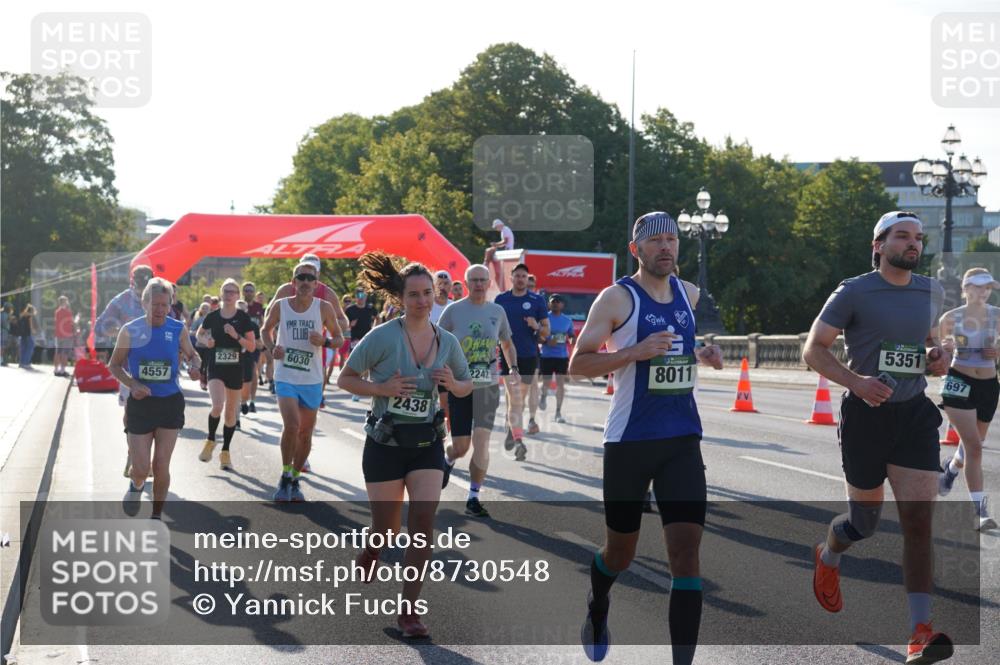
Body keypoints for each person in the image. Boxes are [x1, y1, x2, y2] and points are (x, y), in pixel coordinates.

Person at [568, 211, 723, 665]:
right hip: (629, 443)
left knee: (686, 555)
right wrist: (634, 352)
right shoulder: (617, 299)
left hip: (681, 441)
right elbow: (579, 363)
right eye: (655, 241)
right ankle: (598, 606)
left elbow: (678, 346)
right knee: (621, 553)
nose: (666, 247)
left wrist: (702, 351)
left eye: (672, 239)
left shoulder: (688, 294)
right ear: (636, 250)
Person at [803, 211, 954, 664]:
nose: (913, 244)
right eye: (903, 236)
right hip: (866, 417)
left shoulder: (932, 290)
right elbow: (814, 348)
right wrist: (857, 382)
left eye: (918, 238)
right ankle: (829, 553)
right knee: (863, 525)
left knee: (918, 524)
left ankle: (919, 632)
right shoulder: (854, 291)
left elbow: (930, 342)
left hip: (914, 417)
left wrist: (937, 355)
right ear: (878, 244)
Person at [337, 252, 472, 639]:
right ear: (401, 298)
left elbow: (466, 384)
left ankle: (409, 611)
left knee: (424, 524)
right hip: (385, 442)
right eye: (414, 294)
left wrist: (451, 383)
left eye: (428, 293)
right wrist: (381, 388)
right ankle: (373, 549)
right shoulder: (382, 337)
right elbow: (346, 378)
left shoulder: (446, 342)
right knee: (386, 529)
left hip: (426, 442)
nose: (422, 300)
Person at [107, 277, 201, 519]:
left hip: (169, 403)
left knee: (161, 466)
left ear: (170, 304)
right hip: (141, 404)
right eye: (155, 304)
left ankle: (156, 516)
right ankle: (136, 485)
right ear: (144, 303)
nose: (160, 309)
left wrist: (195, 365)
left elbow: (193, 355)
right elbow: (114, 365)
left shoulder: (177, 328)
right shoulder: (130, 330)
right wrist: (133, 383)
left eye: (164, 304)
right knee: (140, 469)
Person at [439, 264, 517, 517]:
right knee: (461, 446)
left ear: (489, 281)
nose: (479, 284)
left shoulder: (497, 311)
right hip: (460, 385)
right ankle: (448, 460)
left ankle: (473, 496)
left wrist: (513, 367)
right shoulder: (453, 311)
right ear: (466, 282)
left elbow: (506, 342)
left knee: (481, 442)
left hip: (488, 386)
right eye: (474, 280)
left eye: (483, 280)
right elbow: (437, 343)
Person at [262, 261, 343, 501]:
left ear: (316, 284)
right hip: (286, 374)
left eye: (310, 279)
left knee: (306, 433)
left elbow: (339, 338)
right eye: (301, 278)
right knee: (292, 425)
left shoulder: (324, 308)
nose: (306, 282)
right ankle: (285, 474)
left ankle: (295, 477)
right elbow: (265, 330)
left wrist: (325, 342)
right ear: (293, 282)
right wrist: (271, 347)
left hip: (312, 378)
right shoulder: (281, 305)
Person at [937, 268, 999, 531]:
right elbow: (935, 353)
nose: (983, 292)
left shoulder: (997, 315)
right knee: (974, 447)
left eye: (987, 288)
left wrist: (997, 350)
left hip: (988, 384)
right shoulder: (950, 318)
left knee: (974, 443)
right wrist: (943, 349)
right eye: (978, 287)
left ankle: (950, 469)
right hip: (958, 382)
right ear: (966, 289)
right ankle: (980, 512)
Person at [197, 279, 256, 470]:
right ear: (221, 294)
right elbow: (199, 334)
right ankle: (210, 439)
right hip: (216, 366)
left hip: (235, 368)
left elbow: (252, 346)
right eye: (226, 291)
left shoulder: (243, 318)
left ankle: (225, 451)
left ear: (238, 295)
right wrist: (207, 341)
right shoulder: (213, 316)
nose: (229, 294)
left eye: (233, 292)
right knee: (217, 405)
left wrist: (236, 336)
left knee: (230, 413)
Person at [495, 263, 549, 457]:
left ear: (528, 279)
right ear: (511, 277)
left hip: (529, 355)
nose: (520, 279)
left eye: (524, 276)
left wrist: (536, 326)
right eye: (517, 276)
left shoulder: (537, 301)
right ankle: (519, 442)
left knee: (519, 400)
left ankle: (512, 428)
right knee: (516, 401)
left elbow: (546, 332)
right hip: (508, 356)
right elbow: (494, 327)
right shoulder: (501, 300)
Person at [539, 293, 575, 423]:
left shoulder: (567, 320)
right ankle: (543, 395)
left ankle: (558, 412)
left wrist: (571, 340)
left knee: (560, 384)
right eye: (553, 301)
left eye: (558, 301)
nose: (555, 303)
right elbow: (538, 335)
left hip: (561, 356)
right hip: (547, 355)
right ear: (549, 304)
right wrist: (546, 342)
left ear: (562, 305)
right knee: (546, 382)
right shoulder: (544, 318)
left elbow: (571, 335)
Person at [346, 290, 378, 402]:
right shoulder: (350, 309)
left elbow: (377, 317)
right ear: (356, 297)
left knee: (368, 365)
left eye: (363, 295)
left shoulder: (370, 308)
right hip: (355, 340)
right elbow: (343, 323)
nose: (361, 297)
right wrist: (350, 324)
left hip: (368, 339)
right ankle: (356, 391)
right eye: (359, 295)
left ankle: (363, 387)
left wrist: (375, 327)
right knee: (356, 365)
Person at [237, 300, 262, 415]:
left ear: (246, 310)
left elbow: (260, 344)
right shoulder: (228, 323)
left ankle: (246, 402)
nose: (241, 312)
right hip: (232, 359)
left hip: (247, 357)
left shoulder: (252, 326)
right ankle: (236, 416)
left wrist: (249, 342)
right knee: (233, 386)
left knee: (248, 384)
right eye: (239, 309)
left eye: (243, 309)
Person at [484, 218, 515, 290]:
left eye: (496, 227)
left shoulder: (505, 230)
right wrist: (496, 245)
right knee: (490, 250)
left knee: (489, 251)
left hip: (508, 250)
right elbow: (504, 242)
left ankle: (486, 264)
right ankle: (487, 265)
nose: (496, 229)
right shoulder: (504, 230)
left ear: (499, 225)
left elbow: (505, 242)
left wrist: (495, 244)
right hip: (507, 250)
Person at [190, 302, 212, 391]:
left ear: (210, 310)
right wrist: (199, 333)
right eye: (203, 308)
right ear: (200, 309)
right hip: (199, 346)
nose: (205, 310)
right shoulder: (198, 320)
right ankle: (199, 378)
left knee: (206, 365)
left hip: (208, 346)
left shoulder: (213, 319)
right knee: (200, 364)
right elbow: (191, 331)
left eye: (207, 308)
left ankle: (204, 383)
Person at [53, 296, 76, 377]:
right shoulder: (68, 312)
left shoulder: (57, 312)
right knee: (65, 353)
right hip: (67, 334)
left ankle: (56, 369)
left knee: (58, 352)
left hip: (58, 334)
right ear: (65, 302)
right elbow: (73, 323)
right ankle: (62, 370)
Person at [17, 304, 41, 369]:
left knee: (23, 349)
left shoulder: (23, 315)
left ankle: (21, 363)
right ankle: (26, 363)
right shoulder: (30, 316)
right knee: (30, 348)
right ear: (32, 310)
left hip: (22, 334)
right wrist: (33, 330)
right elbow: (30, 324)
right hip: (28, 334)